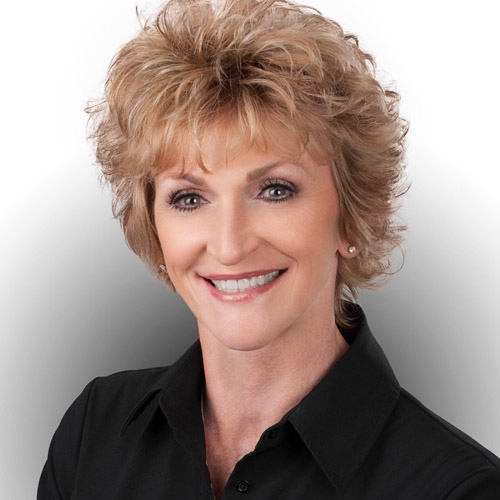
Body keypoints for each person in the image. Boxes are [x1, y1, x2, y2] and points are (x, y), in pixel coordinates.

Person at [38, 0, 500, 498]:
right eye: (189, 198)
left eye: (275, 190)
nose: (229, 246)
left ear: (350, 217)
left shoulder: (459, 489)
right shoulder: (95, 431)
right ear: (154, 227)